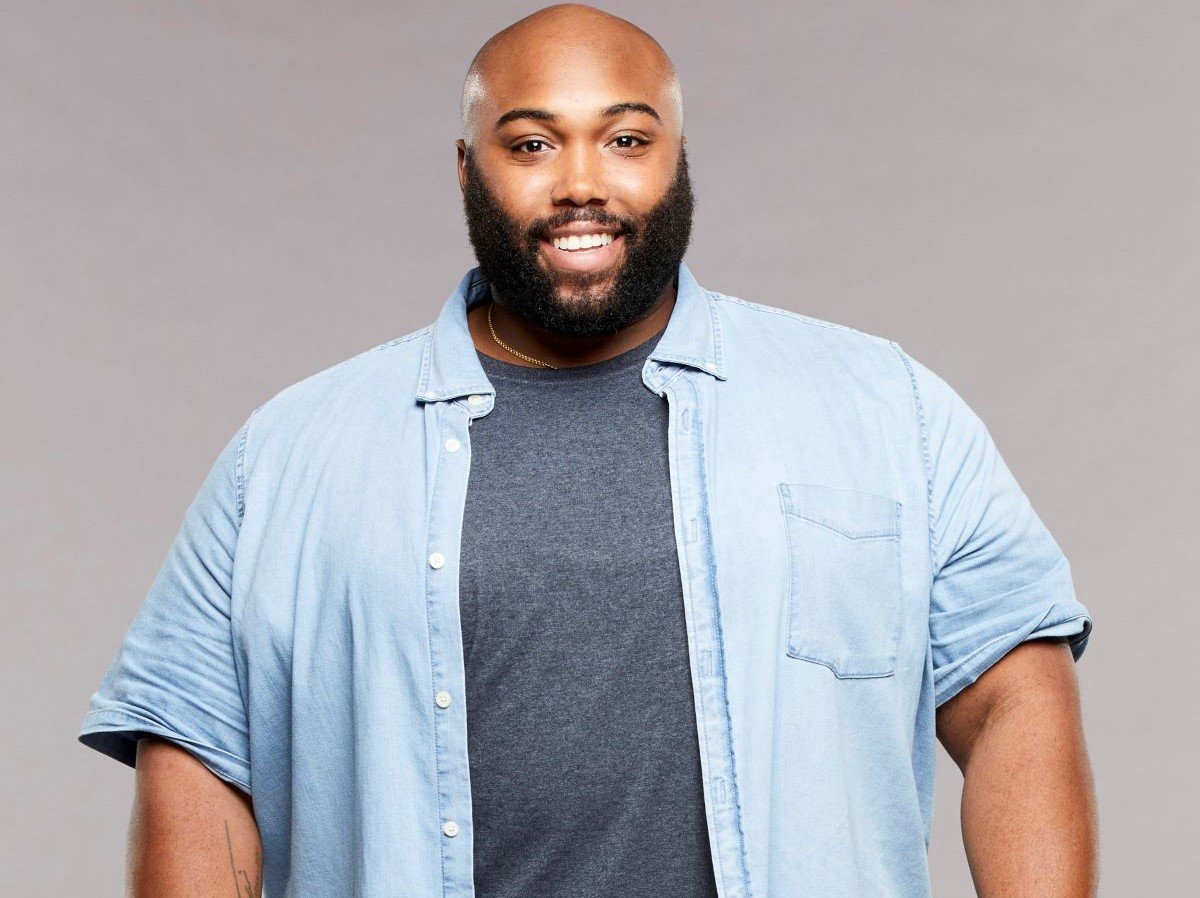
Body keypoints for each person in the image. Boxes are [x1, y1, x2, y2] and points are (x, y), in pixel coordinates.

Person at [77, 4, 1097, 896]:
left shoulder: (883, 407)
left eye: (625, 139)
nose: (580, 184)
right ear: (468, 165)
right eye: (529, 145)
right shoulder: (292, 453)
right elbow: (196, 764)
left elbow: (1014, 690)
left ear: (677, 158)